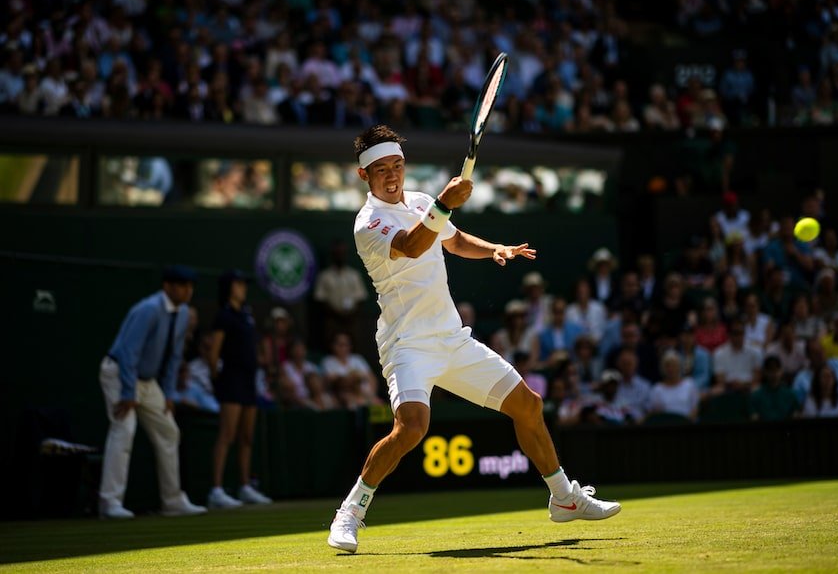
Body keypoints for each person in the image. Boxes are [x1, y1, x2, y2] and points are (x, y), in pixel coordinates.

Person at [328, 125, 620, 554]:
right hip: (407, 343)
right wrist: (445, 204)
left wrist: (494, 247)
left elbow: (455, 240)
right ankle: (350, 512)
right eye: (380, 169)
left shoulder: (423, 203)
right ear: (363, 176)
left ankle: (564, 497)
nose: (391, 175)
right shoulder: (367, 224)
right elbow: (411, 245)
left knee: (529, 405)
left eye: (397, 165)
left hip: (451, 338)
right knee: (411, 427)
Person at [97, 265, 207, 519]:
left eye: (190, 286)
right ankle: (109, 502)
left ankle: (172, 500)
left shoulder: (182, 314)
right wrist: (127, 392)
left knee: (169, 431)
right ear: (167, 287)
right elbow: (128, 352)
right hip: (120, 373)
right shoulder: (148, 309)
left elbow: (173, 356)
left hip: (147, 381)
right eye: (181, 285)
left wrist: (168, 393)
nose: (187, 291)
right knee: (124, 429)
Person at [206, 269, 273, 509]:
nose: (243, 288)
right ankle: (216, 490)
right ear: (229, 288)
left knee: (246, 437)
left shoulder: (247, 315)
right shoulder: (223, 316)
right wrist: (218, 377)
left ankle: (244, 487)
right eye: (238, 284)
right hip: (231, 380)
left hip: (248, 380)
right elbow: (214, 353)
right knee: (228, 434)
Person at [313, 239, 369, 349]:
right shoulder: (325, 276)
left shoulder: (354, 275)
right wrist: (337, 314)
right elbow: (320, 299)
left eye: (342, 253)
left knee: (354, 345)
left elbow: (361, 298)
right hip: (332, 320)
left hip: (351, 319)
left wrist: (350, 315)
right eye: (337, 253)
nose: (340, 256)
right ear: (332, 255)